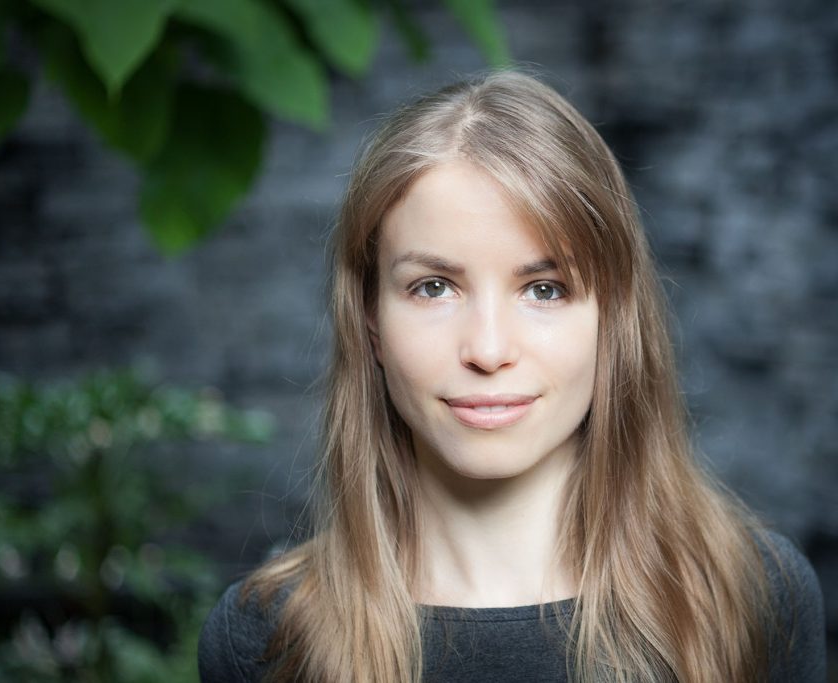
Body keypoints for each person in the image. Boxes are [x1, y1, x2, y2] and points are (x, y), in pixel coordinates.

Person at [197, 71, 826, 682]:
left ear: (614, 317)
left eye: (545, 289)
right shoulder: (265, 641)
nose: (489, 349)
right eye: (434, 287)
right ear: (370, 321)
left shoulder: (751, 598)